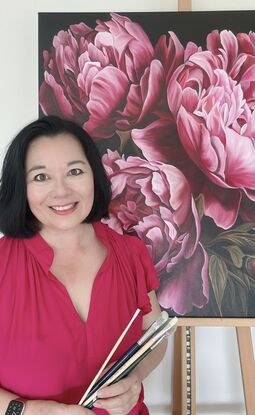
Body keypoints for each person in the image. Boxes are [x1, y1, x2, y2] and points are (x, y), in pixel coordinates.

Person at [0, 115, 167, 415]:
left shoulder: (130, 254)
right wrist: (29, 411)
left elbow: (154, 336)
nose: (61, 191)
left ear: (94, 175)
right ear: (20, 187)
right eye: (41, 177)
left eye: (75, 171)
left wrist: (135, 379)